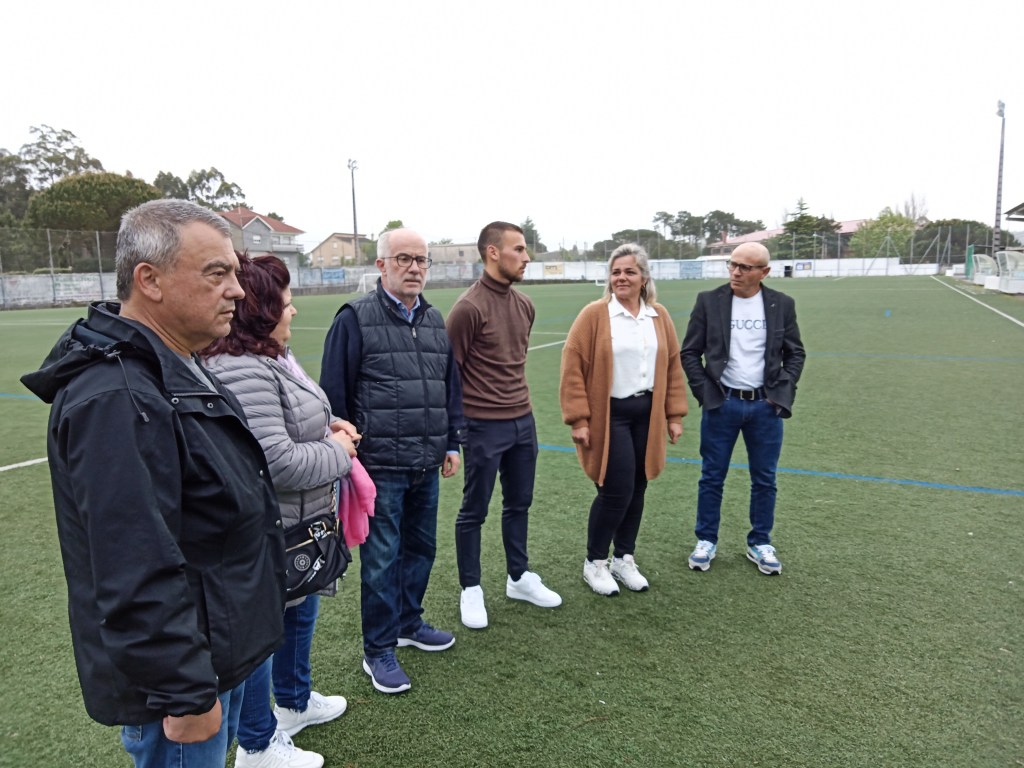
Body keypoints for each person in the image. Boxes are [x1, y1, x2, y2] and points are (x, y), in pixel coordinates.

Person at [20, 199, 286, 767]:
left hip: (216, 650)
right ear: (150, 280)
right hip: (184, 679)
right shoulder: (117, 397)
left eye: (235, 274)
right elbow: (132, 563)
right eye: (218, 273)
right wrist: (185, 693)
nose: (238, 290)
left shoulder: (175, 363)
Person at [202, 254, 356, 768]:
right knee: (260, 640)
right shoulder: (242, 368)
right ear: (261, 312)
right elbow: (277, 462)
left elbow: (300, 417)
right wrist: (341, 453)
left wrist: (332, 426)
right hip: (272, 531)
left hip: (298, 526)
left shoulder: (270, 358)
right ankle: (259, 743)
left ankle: (292, 703)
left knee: (296, 617)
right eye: (286, 304)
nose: (294, 313)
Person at [320, 227, 464, 695]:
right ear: (381, 265)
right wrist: (346, 446)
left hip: (426, 461)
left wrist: (451, 442)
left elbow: (449, 388)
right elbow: (334, 394)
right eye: (404, 259)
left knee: (421, 551)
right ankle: (378, 648)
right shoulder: (355, 319)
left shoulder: (434, 319)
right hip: (381, 465)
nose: (415, 268)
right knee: (381, 561)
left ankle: (409, 622)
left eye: (422, 260)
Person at [446, 221, 562, 630]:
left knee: (520, 503)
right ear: (493, 252)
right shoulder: (468, 308)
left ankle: (519, 577)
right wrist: (455, 434)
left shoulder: (525, 304)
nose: (527, 257)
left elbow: (514, 363)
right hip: (482, 428)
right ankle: (471, 588)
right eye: (519, 249)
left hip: (522, 422)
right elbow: (451, 374)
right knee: (473, 511)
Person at [560, 244, 688, 595]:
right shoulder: (595, 315)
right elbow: (573, 367)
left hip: (647, 415)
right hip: (610, 416)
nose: (622, 278)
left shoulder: (658, 316)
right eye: (616, 272)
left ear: (644, 278)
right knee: (615, 490)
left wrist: (674, 414)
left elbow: (673, 367)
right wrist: (579, 419)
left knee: (639, 486)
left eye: (629, 272)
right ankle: (595, 562)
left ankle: (623, 558)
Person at [680, 242, 806, 575]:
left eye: (745, 267)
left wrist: (780, 393)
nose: (736, 271)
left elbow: (795, 353)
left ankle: (759, 542)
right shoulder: (709, 301)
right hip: (723, 404)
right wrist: (707, 394)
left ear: (764, 272)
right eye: (732, 264)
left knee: (764, 479)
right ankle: (706, 540)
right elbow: (689, 353)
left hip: (765, 407)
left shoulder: (782, 304)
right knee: (711, 477)